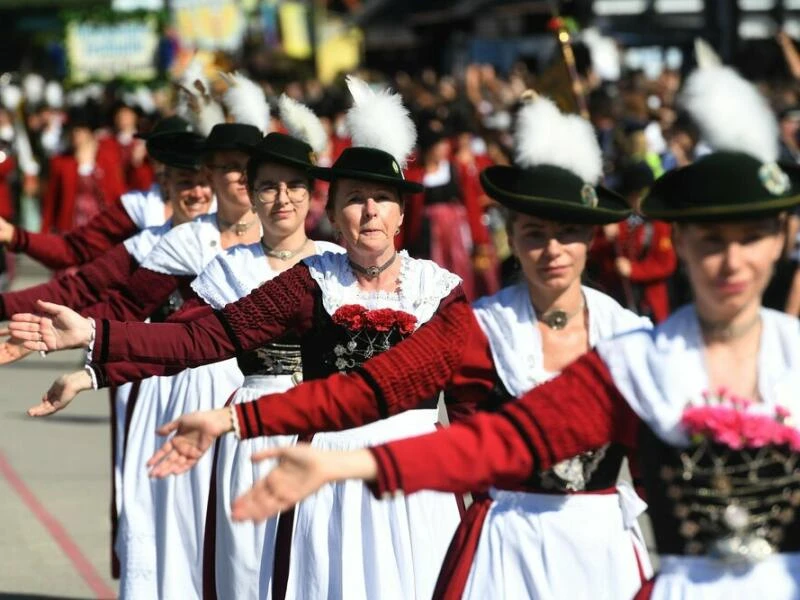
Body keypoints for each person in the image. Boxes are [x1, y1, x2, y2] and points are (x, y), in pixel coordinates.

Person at [205, 50, 800, 600]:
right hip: (510, 549)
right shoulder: (615, 355)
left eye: (751, 238)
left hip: (630, 562)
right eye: (535, 233)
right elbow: (474, 431)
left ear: (782, 242)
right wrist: (316, 449)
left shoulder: (633, 336)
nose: (731, 262)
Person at [146, 92, 655, 600]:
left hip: (599, 545)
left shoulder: (628, 336)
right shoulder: (477, 326)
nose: (552, 249)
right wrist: (237, 419)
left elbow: (660, 459)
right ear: (514, 240)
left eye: (568, 232)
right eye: (534, 232)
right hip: (501, 532)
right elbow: (371, 390)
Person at [13, 76, 464, 600]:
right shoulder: (310, 284)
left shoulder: (439, 291)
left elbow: (476, 403)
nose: (369, 212)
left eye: (382, 200)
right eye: (355, 199)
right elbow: (201, 339)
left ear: (402, 213)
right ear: (335, 216)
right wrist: (95, 336)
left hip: (418, 480)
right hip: (323, 476)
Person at [0, 116, 194, 271]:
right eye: (160, 155)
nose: (166, 165)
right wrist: (25, 236)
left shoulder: (107, 159)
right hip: (77, 225)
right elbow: (70, 248)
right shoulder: (134, 205)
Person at [591, 161, 676, 322]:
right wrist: (604, 236)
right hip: (616, 300)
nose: (640, 199)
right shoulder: (617, 221)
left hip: (649, 306)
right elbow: (593, 252)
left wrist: (634, 270)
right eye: (636, 194)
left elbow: (666, 264)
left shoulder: (659, 223)